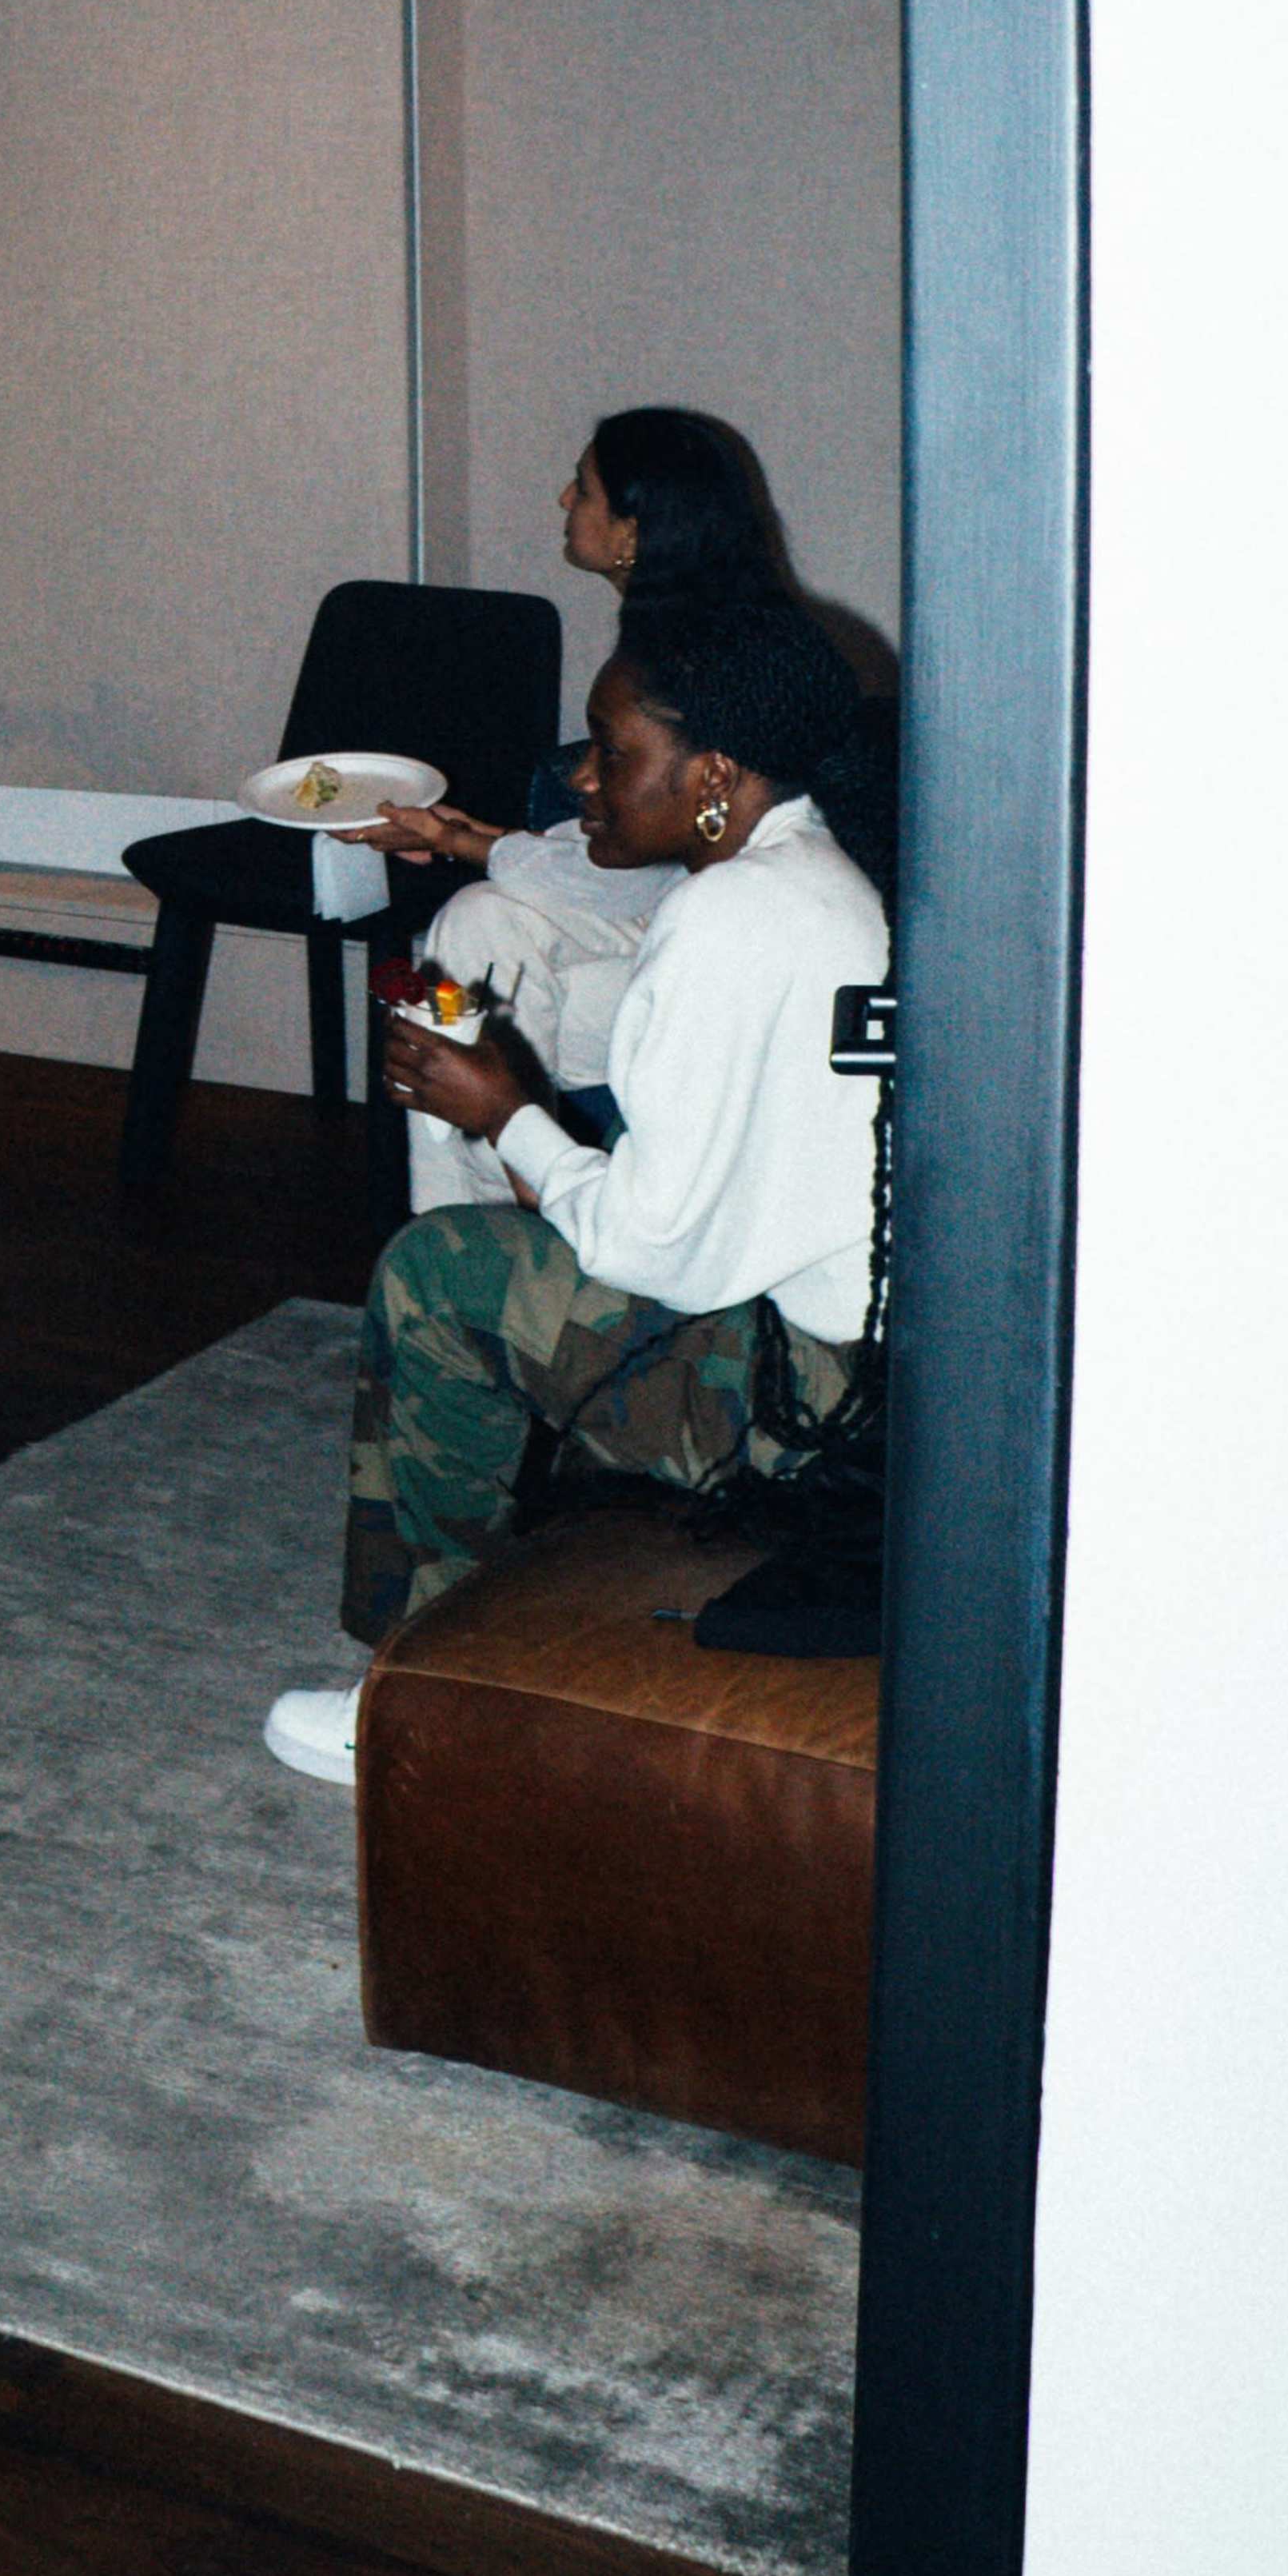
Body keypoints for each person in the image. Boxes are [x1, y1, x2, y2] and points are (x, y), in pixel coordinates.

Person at [265, 587, 887, 1783]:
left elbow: (650, 1248)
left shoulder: (727, 921)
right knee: (502, 1260)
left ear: (711, 771)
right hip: (876, 1376)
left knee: (436, 1277)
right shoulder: (814, 874)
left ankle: (419, 1694)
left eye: (613, 753)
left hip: (807, 1414)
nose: (585, 778)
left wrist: (507, 1116)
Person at [360, 409, 789, 1210]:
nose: (563, 497)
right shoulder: (676, 626)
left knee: (482, 970)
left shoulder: (703, 663)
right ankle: (484, 1236)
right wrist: (459, 836)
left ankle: (506, 1234)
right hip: (657, 924)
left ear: (634, 527)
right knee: (480, 932)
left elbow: (633, 876)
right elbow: (621, 860)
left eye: (583, 486)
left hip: (730, 966)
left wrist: (462, 841)